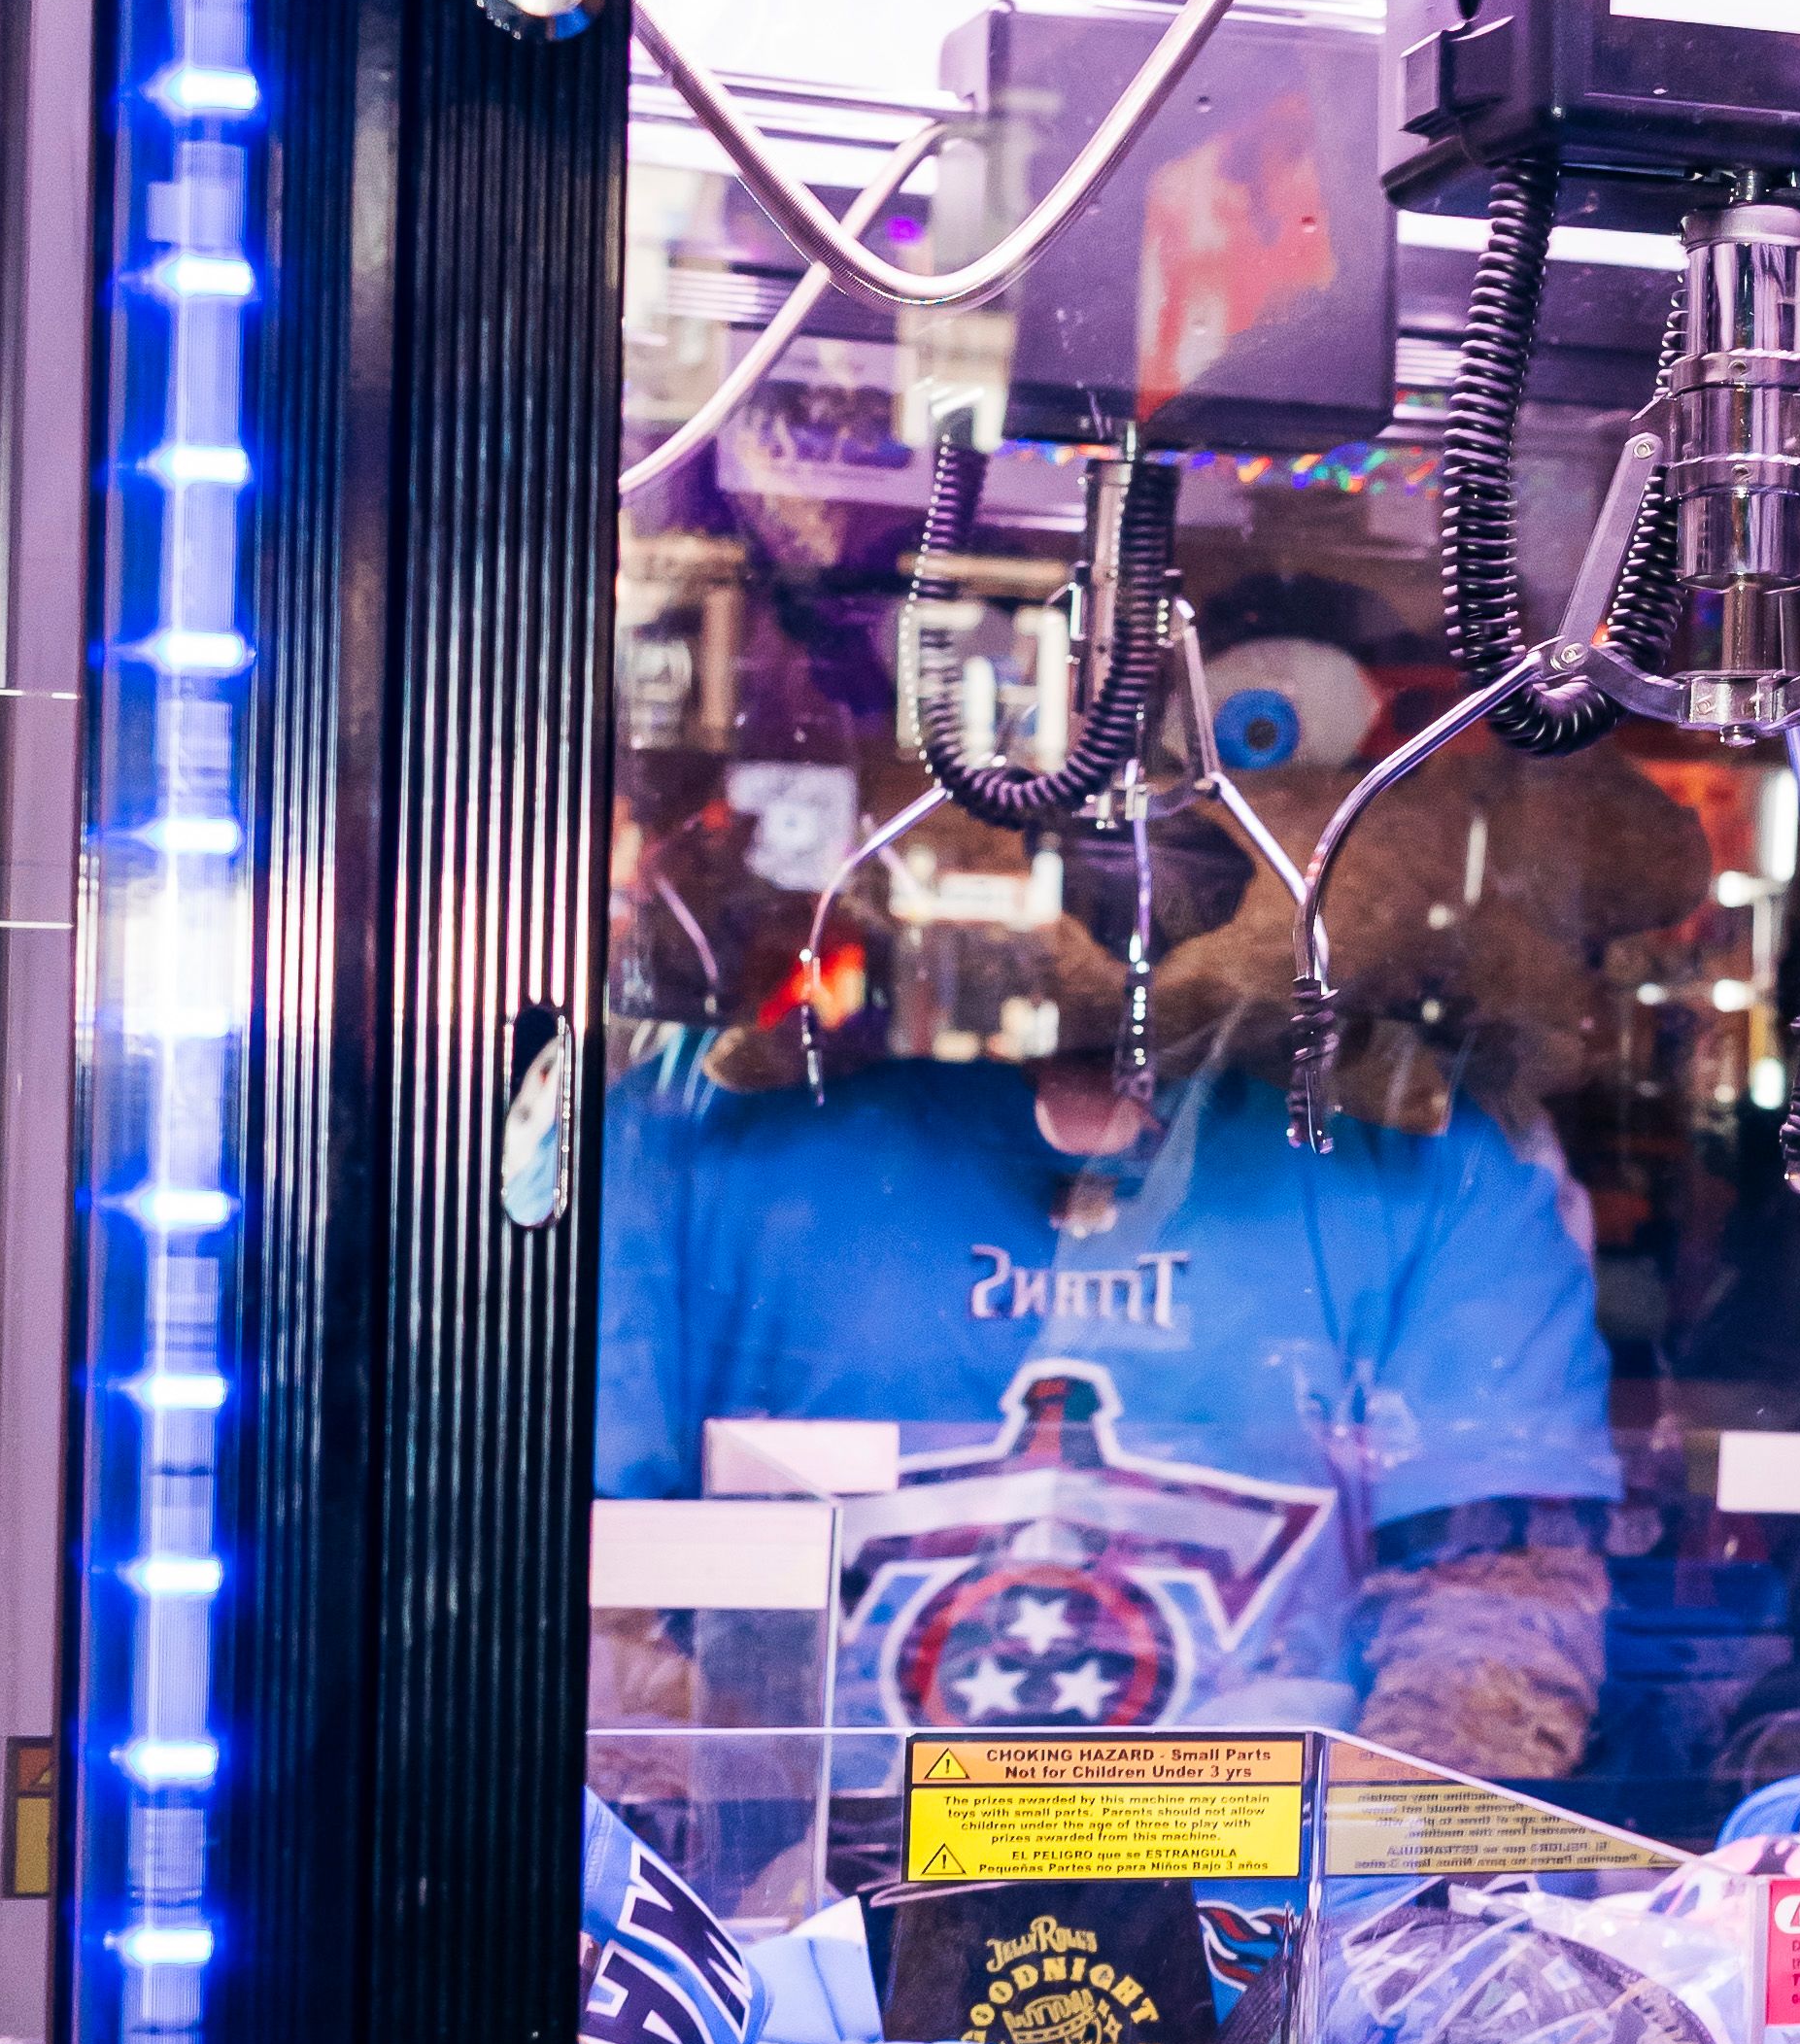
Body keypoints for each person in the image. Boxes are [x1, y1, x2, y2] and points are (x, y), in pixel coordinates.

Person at [596, 762, 1622, 1782]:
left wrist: (1356, 1891)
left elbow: (1493, 1612)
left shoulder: (1436, 1157)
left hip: (1277, 1906)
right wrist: (741, 1857)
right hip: (801, 1909)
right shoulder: (689, 1135)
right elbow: (581, 1596)